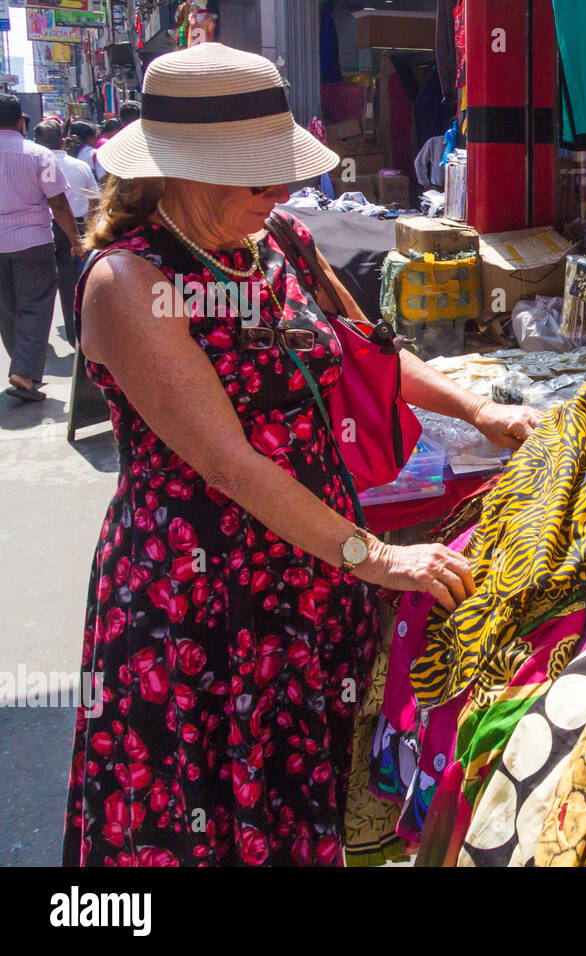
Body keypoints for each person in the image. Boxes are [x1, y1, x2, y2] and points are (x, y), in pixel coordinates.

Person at [62, 44, 540, 867]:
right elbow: (230, 465)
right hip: (202, 603)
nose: (283, 195)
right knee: (199, 813)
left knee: (293, 804)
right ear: (186, 173)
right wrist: (378, 556)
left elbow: (368, 354)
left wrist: (480, 410)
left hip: (307, 578)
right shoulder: (130, 284)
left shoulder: (277, 238)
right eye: (259, 179)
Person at [0, 94, 85, 402]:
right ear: (22, 120)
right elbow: (59, 202)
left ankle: (21, 369)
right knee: (35, 305)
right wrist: (76, 240)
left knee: (6, 309)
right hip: (33, 242)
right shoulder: (40, 156)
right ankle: (23, 372)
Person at [31, 120, 98, 339]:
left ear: (37, 142)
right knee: (80, 281)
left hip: (44, 229)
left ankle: (64, 333)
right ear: (62, 141)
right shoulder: (80, 166)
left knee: (54, 285)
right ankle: (80, 332)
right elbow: (95, 202)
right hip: (78, 227)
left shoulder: (33, 164)